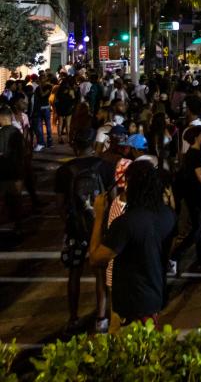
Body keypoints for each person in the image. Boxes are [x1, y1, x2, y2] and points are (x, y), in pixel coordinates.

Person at [88, 160, 176, 328]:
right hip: (155, 297)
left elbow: (95, 258)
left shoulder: (126, 223)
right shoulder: (168, 216)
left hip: (130, 306)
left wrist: (99, 215)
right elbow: (168, 251)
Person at [54, 131, 114, 334]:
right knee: (100, 273)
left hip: (75, 229)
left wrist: (70, 223)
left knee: (74, 273)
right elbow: (112, 198)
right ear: (92, 144)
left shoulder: (64, 171)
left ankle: (73, 317)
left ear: (74, 146)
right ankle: (101, 318)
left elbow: (60, 205)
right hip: (99, 226)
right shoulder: (105, 167)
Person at [170, 126, 201, 273]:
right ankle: (175, 255)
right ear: (196, 137)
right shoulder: (195, 154)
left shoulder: (196, 153)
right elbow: (200, 176)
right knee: (198, 227)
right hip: (195, 194)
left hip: (194, 194)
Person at [0, 107, 25, 235]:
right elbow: (23, 152)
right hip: (17, 171)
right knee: (17, 198)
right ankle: (19, 225)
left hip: (3, 171)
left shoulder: (1, 133)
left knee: (3, 199)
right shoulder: (17, 132)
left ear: (2, 118)